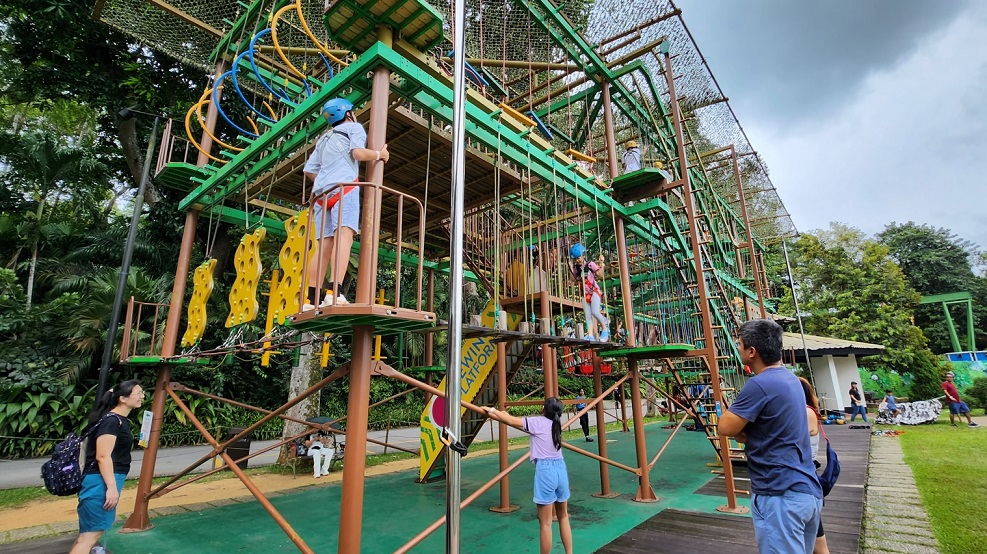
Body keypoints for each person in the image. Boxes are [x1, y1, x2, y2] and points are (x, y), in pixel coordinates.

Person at [717, 319, 822, 554]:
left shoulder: (760, 384)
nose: (738, 348)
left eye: (739, 344)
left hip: (779, 494)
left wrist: (743, 430)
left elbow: (725, 426)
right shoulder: (791, 380)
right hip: (805, 489)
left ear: (752, 351)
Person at [302, 97, 389, 309]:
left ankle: (310, 300)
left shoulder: (324, 138)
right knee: (344, 239)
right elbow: (358, 153)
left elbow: (309, 170)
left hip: (321, 194)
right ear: (348, 113)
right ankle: (334, 292)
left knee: (323, 246)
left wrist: (326, 181)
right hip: (344, 188)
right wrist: (380, 154)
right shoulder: (354, 128)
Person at [484, 399, 572, 554]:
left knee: (545, 523)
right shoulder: (556, 424)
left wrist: (491, 410)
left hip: (546, 471)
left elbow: (511, 421)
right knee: (563, 516)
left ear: (543, 408)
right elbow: (509, 418)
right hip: (560, 468)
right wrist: (502, 414)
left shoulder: (537, 422)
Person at [69, 380, 145, 554]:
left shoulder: (115, 420)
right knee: (90, 537)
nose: (142, 396)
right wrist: (111, 488)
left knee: (87, 535)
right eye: (139, 393)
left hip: (100, 480)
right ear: (122, 398)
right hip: (100, 482)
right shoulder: (112, 421)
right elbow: (102, 456)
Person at [798, 377, 829, 554]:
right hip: (806, 477)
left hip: (803, 479)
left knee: (816, 542)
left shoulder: (805, 412)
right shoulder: (807, 411)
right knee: (817, 541)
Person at [568, 244, 609, 341]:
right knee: (588, 315)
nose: (577, 260)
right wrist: (570, 268)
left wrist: (601, 264)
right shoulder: (576, 269)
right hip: (584, 293)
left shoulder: (590, 264)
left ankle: (605, 329)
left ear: (583, 256)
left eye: (578, 258)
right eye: (575, 259)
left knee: (595, 311)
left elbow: (600, 275)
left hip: (594, 291)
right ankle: (590, 335)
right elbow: (573, 279)